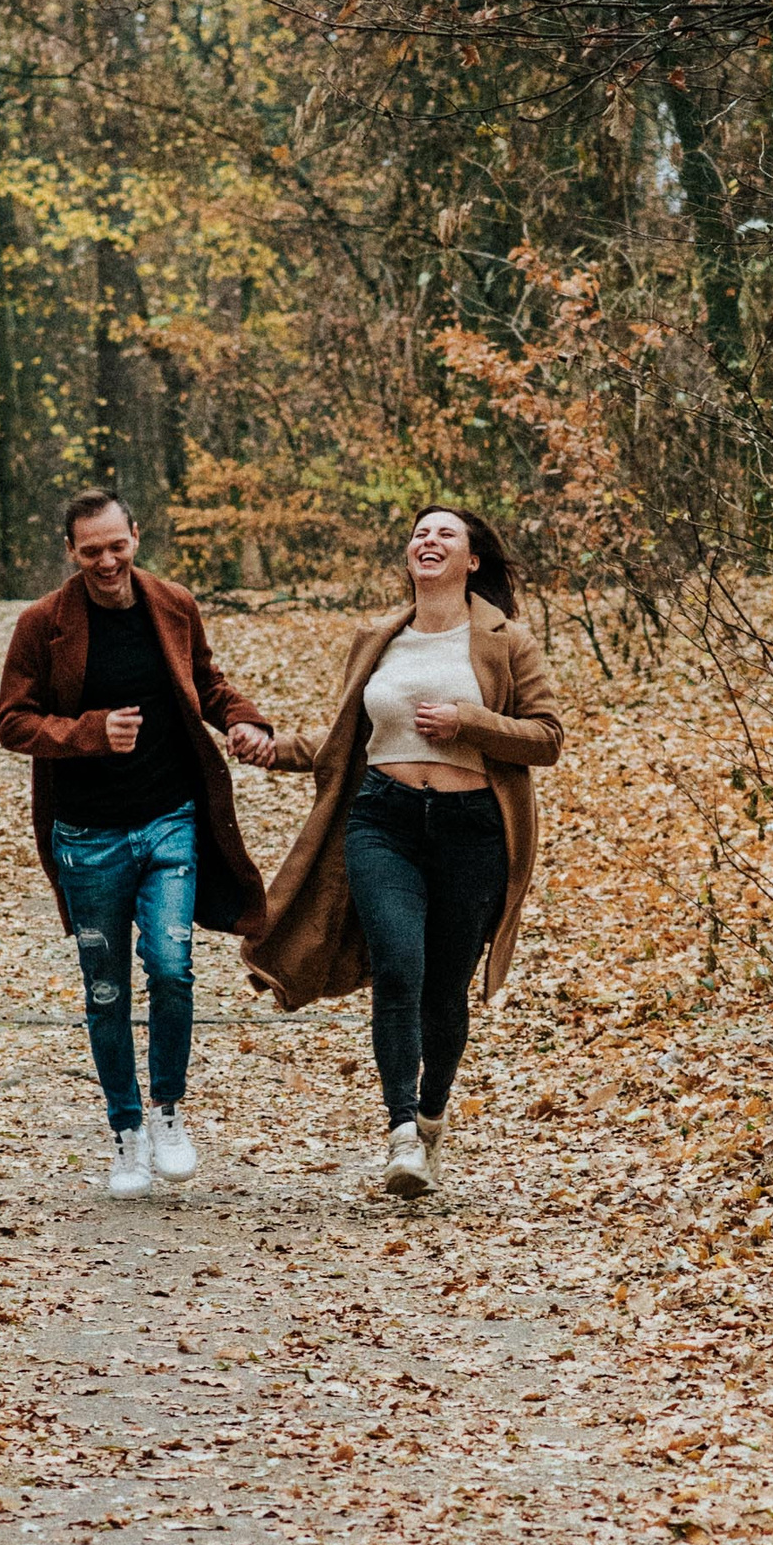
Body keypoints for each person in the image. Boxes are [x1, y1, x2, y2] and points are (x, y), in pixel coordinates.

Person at [232, 506, 560, 1198]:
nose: (428, 540)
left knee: (445, 989)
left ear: (473, 560)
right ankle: (402, 1133)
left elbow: (547, 737)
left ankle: (433, 1115)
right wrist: (274, 750)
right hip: (383, 820)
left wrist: (468, 721)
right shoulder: (378, 637)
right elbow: (344, 739)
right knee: (399, 966)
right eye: (419, 533)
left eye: (445, 533)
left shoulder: (508, 641)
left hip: (474, 829)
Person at [0, 490, 273, 1198]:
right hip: (87, 837)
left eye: (117, 545)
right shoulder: (42, 624)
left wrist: (245, 720)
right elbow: (13, 721)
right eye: (92, 550)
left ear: (135, 536)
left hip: (169, 821)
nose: (108, 561)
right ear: (71, 551)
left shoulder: (172, 602)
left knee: (174, 968)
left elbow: (206, 683)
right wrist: (90, 732)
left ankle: (168, 1112)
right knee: (107, 987)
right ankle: (125, 1132)